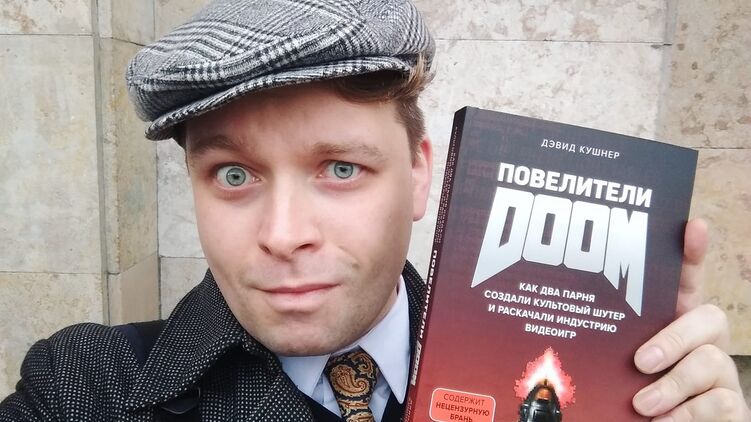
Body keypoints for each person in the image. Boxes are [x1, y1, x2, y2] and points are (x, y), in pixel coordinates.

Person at [1, 0, 749, 420]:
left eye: (341, 169)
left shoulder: (566, 385)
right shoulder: (80, 387)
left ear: (420, 175)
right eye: (233, 174)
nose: (284, 235)